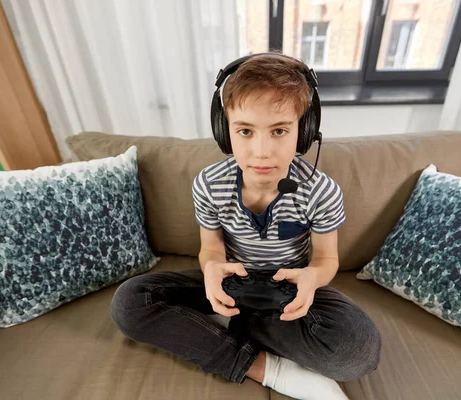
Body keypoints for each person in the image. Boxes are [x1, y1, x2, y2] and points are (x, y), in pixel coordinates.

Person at [110, 52, 381, 400]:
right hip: (232, 282)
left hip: (289, 290)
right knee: (129, 303)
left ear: (304, 132)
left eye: (279, 130)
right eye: (245, 131)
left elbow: (327, 259)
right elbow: (211, 248)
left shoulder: (321, 190)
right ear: (225, 132)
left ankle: (222, 326)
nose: (262, 151)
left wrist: (312, 279)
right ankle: (265, 367)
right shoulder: (209, 184)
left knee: (358, 350)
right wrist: (211, 271)